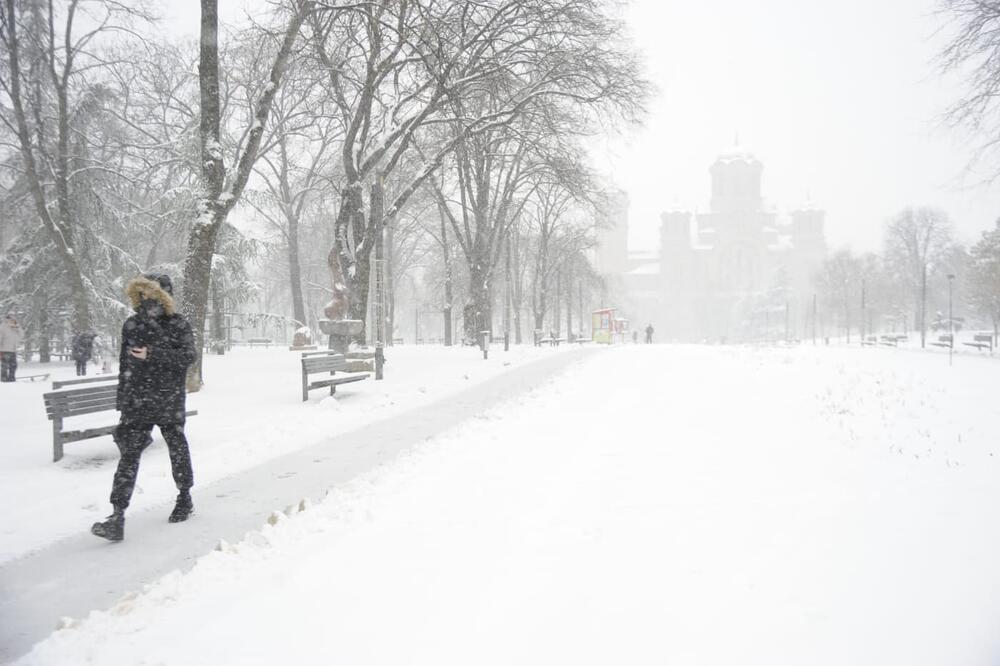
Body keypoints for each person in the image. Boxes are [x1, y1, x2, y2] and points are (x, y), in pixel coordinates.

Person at [91, 274, 197, 542]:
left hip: (167, 398)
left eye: (153, 295)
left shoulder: (177, 324)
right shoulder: (132, 324)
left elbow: (187, 357)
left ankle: (184, 497)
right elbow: (125, 366)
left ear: (165, 296)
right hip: (137, 401)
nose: (147, 300)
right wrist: (123, 400)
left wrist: (153, 354)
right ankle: (117, 516)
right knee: (128, 455)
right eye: (143, 295)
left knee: (177, 446)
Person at [0, 313, 24, 382]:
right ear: (7, 319)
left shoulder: (16, 327)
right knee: (5, 366)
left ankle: (11, 377)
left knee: (13, 365)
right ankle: (4, 378)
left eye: (14, 319)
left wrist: (17, 328)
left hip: (13, 350)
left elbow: (22, 335)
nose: (12, 320)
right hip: (4, 350)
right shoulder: (3, 327)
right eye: (11, 319)